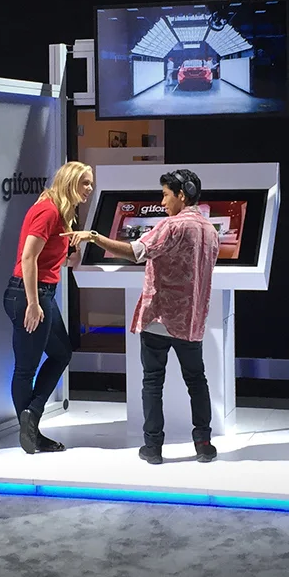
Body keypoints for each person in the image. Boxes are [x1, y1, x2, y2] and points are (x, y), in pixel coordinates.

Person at [65, 169, 220, 465]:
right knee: (197, 382)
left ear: (182, 195)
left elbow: (136, 251)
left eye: (165, 194)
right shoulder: (210, 230)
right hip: (191, 322)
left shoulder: (171, 226)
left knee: (152, 383)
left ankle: (153, 448)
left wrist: (94, 237)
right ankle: (203, 444)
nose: (163, 202)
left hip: (160, 319)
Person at [3, 160, 94, 455]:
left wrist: (77, 245)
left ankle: (31, 418)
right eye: (85, 183)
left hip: (43, 293)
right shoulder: (48, 210)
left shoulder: (62, 213)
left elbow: (63, 260)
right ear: (70, 182)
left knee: (62, 353)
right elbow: (28, 258)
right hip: (30, 294)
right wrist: (32, 303)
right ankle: (30, 428)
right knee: (25, 368)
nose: (89, 189)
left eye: (90, 183)